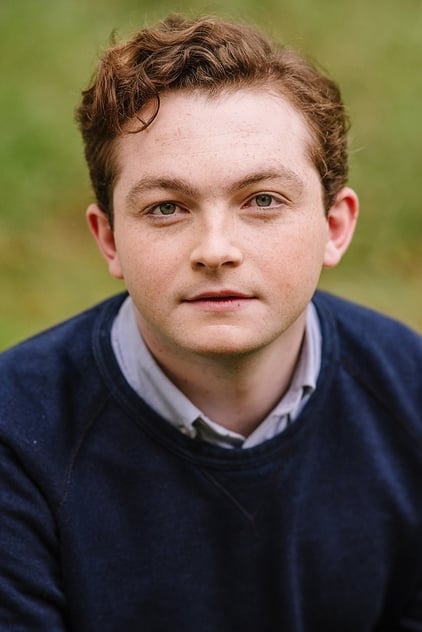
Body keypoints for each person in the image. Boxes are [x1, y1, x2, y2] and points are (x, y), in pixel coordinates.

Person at [0, 14, 421, 632]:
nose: (215, 250)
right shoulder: (15, 435)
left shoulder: (410, 393)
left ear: (334, 226)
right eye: (167, 208)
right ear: (110, 239)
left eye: (263, 200)